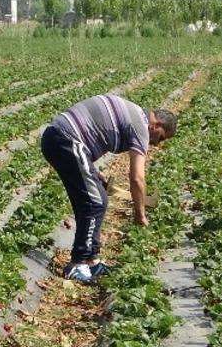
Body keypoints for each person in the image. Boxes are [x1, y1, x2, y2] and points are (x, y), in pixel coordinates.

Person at [40, 94, 177, 284]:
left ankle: (92, 260)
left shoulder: (135, 113)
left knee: (94, 197)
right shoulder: (141, 127)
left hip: (59, 139)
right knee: (95, 201)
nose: (156, 144)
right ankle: (78, 263)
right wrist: (140, 215)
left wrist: (93, 173)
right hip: (66, 139)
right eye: (160, 138)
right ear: (156, 125)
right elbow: (137, 178)